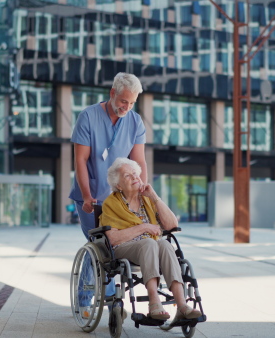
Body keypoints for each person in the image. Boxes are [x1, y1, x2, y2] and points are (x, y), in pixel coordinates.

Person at [69, 73, 148, 319]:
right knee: (100, 246)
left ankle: (112, 298)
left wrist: (142, 189)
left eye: (132, 103)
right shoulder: (88, 117)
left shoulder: (135, 122)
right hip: (90, 198)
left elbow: (139, 160)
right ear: (112, 93)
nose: (127, 107)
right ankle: (90, 298)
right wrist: (86, 195)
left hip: (118, 200)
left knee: (111, 249)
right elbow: (80, 160)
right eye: (124, 101)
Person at [100, 158, 202, 321]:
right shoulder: (111, 203)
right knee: (150, 242)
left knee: (165, 244)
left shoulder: (147, 198)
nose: (134, 177)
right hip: (124, 248)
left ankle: (182, 304)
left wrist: (154, 196)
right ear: (118, 185)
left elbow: (171, 225)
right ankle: (154, 301)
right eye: (127, 175)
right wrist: (144, 227)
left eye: (135, 174)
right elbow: (113, 238)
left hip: (152, 247)